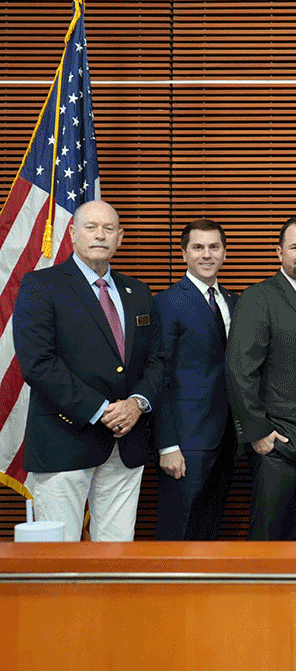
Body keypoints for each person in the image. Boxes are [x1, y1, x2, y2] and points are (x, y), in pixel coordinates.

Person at [12, 200, 164, 541]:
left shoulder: (137, 292)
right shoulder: (41, 285)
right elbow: (38, 364)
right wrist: (100, 410)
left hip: (126, 445)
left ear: (120, 237)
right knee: (59, 558)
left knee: (116, 558)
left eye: (109, 229)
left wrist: (136, 403)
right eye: (91, 227)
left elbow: (156, 360)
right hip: (64, 441)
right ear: (72, 233)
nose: (100, 235)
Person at [226, 216, 296, 540]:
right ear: (279, 253)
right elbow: (239, 369)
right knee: (266, 541)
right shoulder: (259, 297)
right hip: (276, 445)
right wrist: (258, 432)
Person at [151, 219, 238, 541]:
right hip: (185, 441)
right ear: (184, 253)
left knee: (209, 527)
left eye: (214, 247)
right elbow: (158, 377)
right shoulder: (167, 302)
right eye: (198, 247)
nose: (207, 254)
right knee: (178, 530)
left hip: (227, 438)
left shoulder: (233, 300)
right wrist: (167, 444)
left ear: (225, 253)